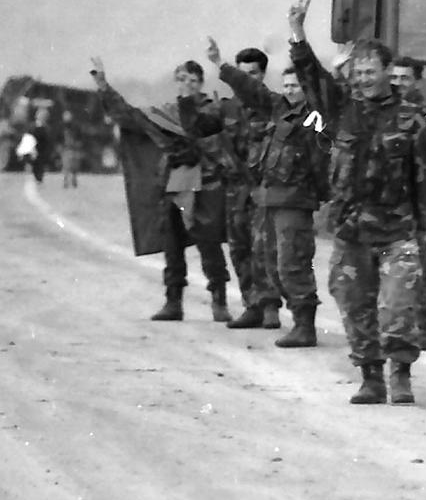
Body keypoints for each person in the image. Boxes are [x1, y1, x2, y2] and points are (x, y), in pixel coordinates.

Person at [288, 0, 426, 405]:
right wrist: (298, 33)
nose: (362, 78)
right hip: (352, 232)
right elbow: (312, 78)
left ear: (388, 72)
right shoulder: (341, 111)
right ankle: (370, 377)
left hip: (398, 232)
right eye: (357, 72)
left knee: (397, 309)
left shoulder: (412, 121)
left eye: (370, 71)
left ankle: (402, 374)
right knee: (354, 308)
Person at [206, 36, 328, 349]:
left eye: (296, 86)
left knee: (292, 263)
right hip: (270, 199)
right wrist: (221, 66)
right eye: (286, 86)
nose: (289, 91)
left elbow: (321, 165)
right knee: (270, 264)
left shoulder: (315, 119)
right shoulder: (278, 110)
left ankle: (304, 324)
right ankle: (286, 315)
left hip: (295, 202)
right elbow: (252, 90)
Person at [91, 56, 233, 322]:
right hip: (174, 182)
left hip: (204, 183)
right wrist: (103, 86)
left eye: (192, 80)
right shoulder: (165, 111)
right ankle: (173, 301)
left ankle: (219, 299)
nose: (186, 85)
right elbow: (128, 116)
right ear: (175, 82)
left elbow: (207, 131)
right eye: (181, 79)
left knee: (208, 243)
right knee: (172, 242)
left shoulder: (211, 110)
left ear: (200, 83)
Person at [218, 47, 278, 331]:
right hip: (235, 190)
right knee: (239, 248)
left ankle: (269, 306)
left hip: (263, 188)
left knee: (263, 248)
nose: (248, 79)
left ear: (263, 74)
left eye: (253, 73)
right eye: (243, 74)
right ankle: (251, 304)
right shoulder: (227, 108)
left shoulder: (270, 104)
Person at [390, 55, 426, 349]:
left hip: (414, 206)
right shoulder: (384, 111)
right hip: (388, 207)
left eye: (405, 78)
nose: (398, 84)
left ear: (417, 81)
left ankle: (425, 328)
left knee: (418, 269)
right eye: (394, 78)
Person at [59, 113, 83, 188]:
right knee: (66, 166)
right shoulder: (61, 127)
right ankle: (65, 181)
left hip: (74, 148)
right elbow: (58, 138)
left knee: (74, 166)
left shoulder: (76, 127)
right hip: (66, 149)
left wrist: (78, 144)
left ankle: (74, 179)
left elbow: (80, 138)